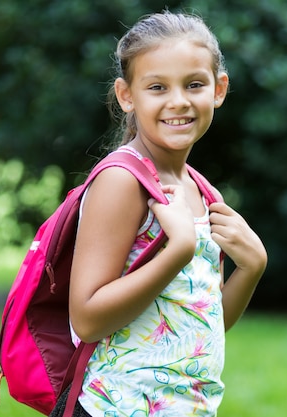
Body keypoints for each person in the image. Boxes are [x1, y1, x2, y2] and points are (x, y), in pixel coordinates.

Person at [51, 10, 267, 417]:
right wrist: (178, 250)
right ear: (126, 95)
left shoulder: (201, 190)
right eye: (157, 87)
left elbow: (202, 325)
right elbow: (87, 319)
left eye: (195, 84)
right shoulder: (122, 181)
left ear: (219, 89)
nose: (179, 101)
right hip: (114, 408)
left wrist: (252, 268)